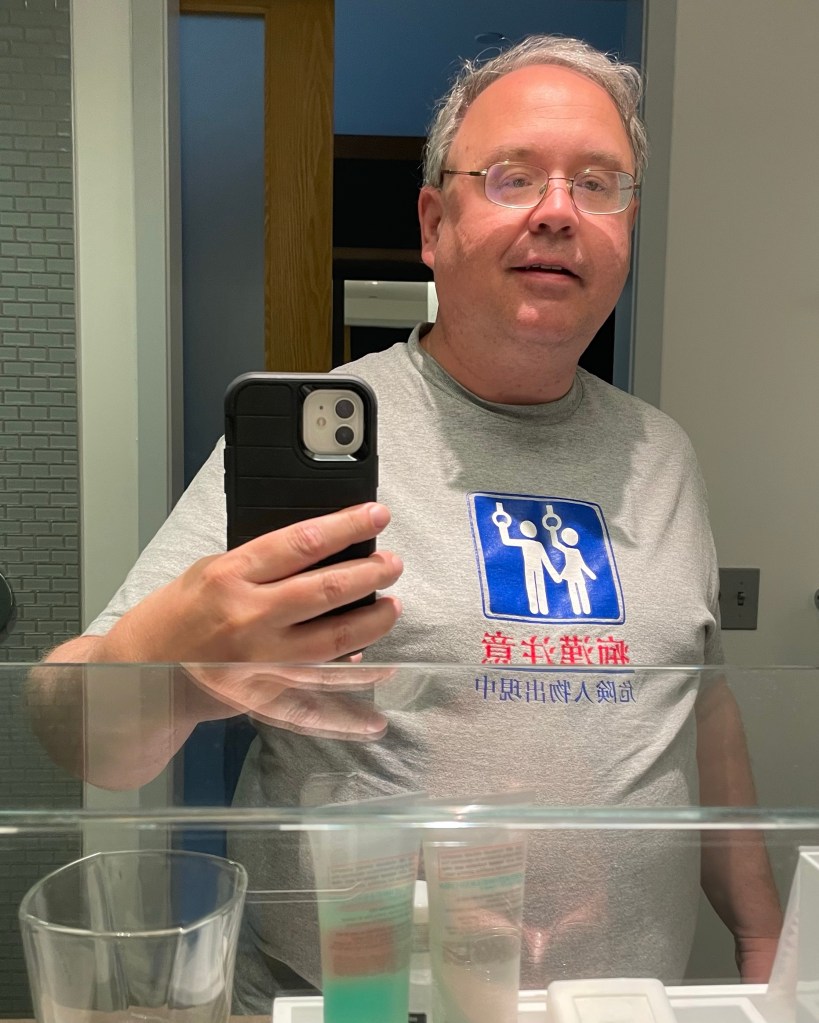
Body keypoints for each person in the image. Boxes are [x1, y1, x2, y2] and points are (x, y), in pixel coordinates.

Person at [45, 34, 782, 1006]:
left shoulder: (666, 455)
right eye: (513, 176)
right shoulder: (316, 449)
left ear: (627, 230)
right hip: (359, 1003)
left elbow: (701, 706)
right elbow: (77, 731)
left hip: (620, 1002)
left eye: (598, 184)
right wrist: (171, 665)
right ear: (434, 225)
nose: (558, 211)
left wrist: (762, 929)